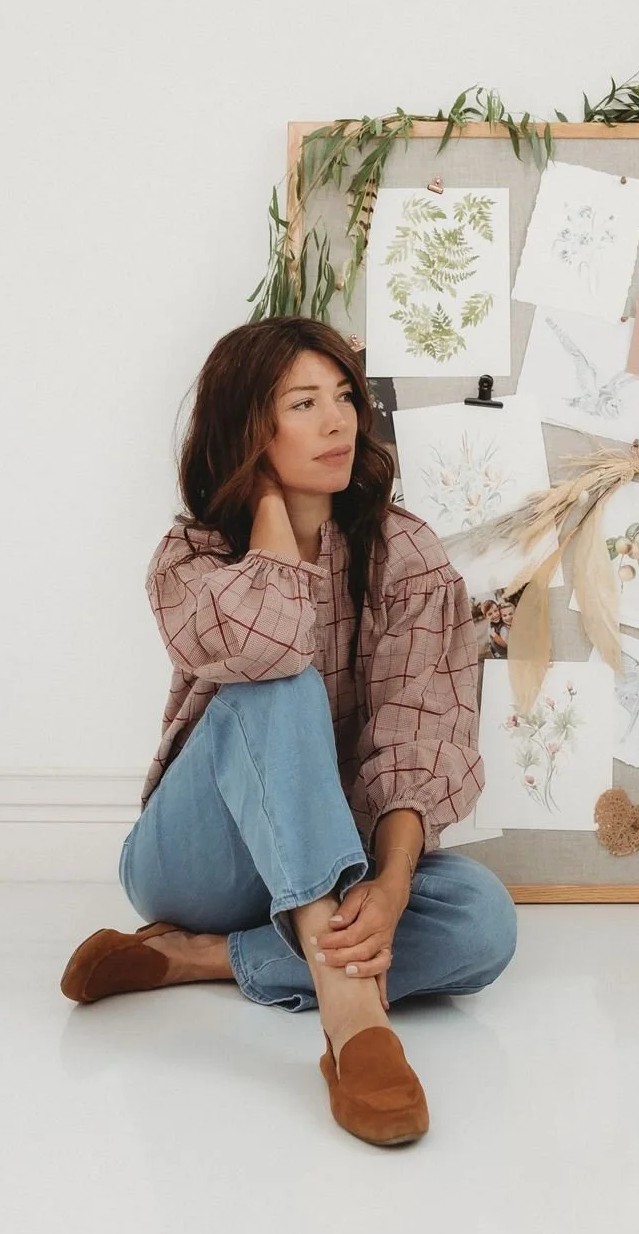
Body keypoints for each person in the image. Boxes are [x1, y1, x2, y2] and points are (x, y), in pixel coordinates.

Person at [59, 316, 518, 1147]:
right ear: (248, 428)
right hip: (198, 863)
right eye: (302, 404)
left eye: (343, 397)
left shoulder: (404, 552)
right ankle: (350, 1016)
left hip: (332, 850)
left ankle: (197, 959)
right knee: (277, 681)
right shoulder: (192, 557)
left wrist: (394, 885)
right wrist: (272, 519)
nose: (338, 421)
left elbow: (426, 732)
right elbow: (265, 649)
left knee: (481, 922)